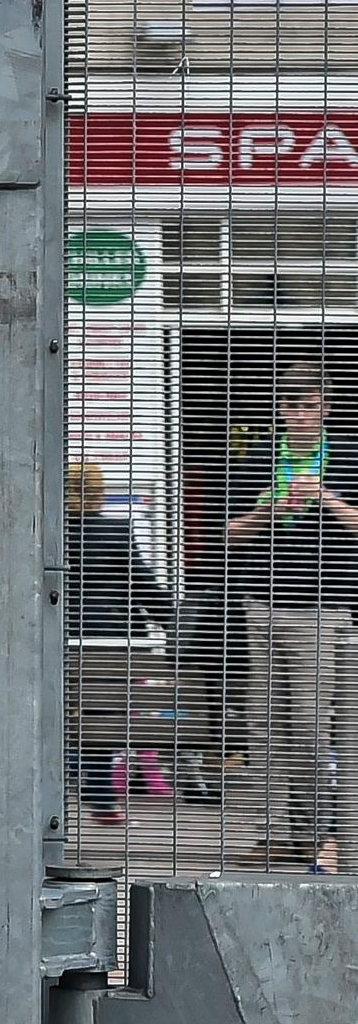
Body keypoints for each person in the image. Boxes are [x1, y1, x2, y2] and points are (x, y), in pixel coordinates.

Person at [224, 364, 358, 864]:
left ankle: (322, 838)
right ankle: (276, 836)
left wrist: (324, 497)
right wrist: (270, 510)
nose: (300, 416)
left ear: (326, 410)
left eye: (310, 406)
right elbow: (228, 533)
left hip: (320, 610)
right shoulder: (258, 460)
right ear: (280, 412)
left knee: (309, 729)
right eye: (292, 407)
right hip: (260, 605)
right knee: (263, 727)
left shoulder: (346, 458)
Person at [65, 462, 174, 829]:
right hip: (109, 641)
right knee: (102, 720)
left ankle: (62, 790)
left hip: (61, 638)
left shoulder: (53, 531)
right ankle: (102, 799)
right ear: (99, 492)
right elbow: (143, 585)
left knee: (59, 716)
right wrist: (175, 620)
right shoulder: (115, 532)